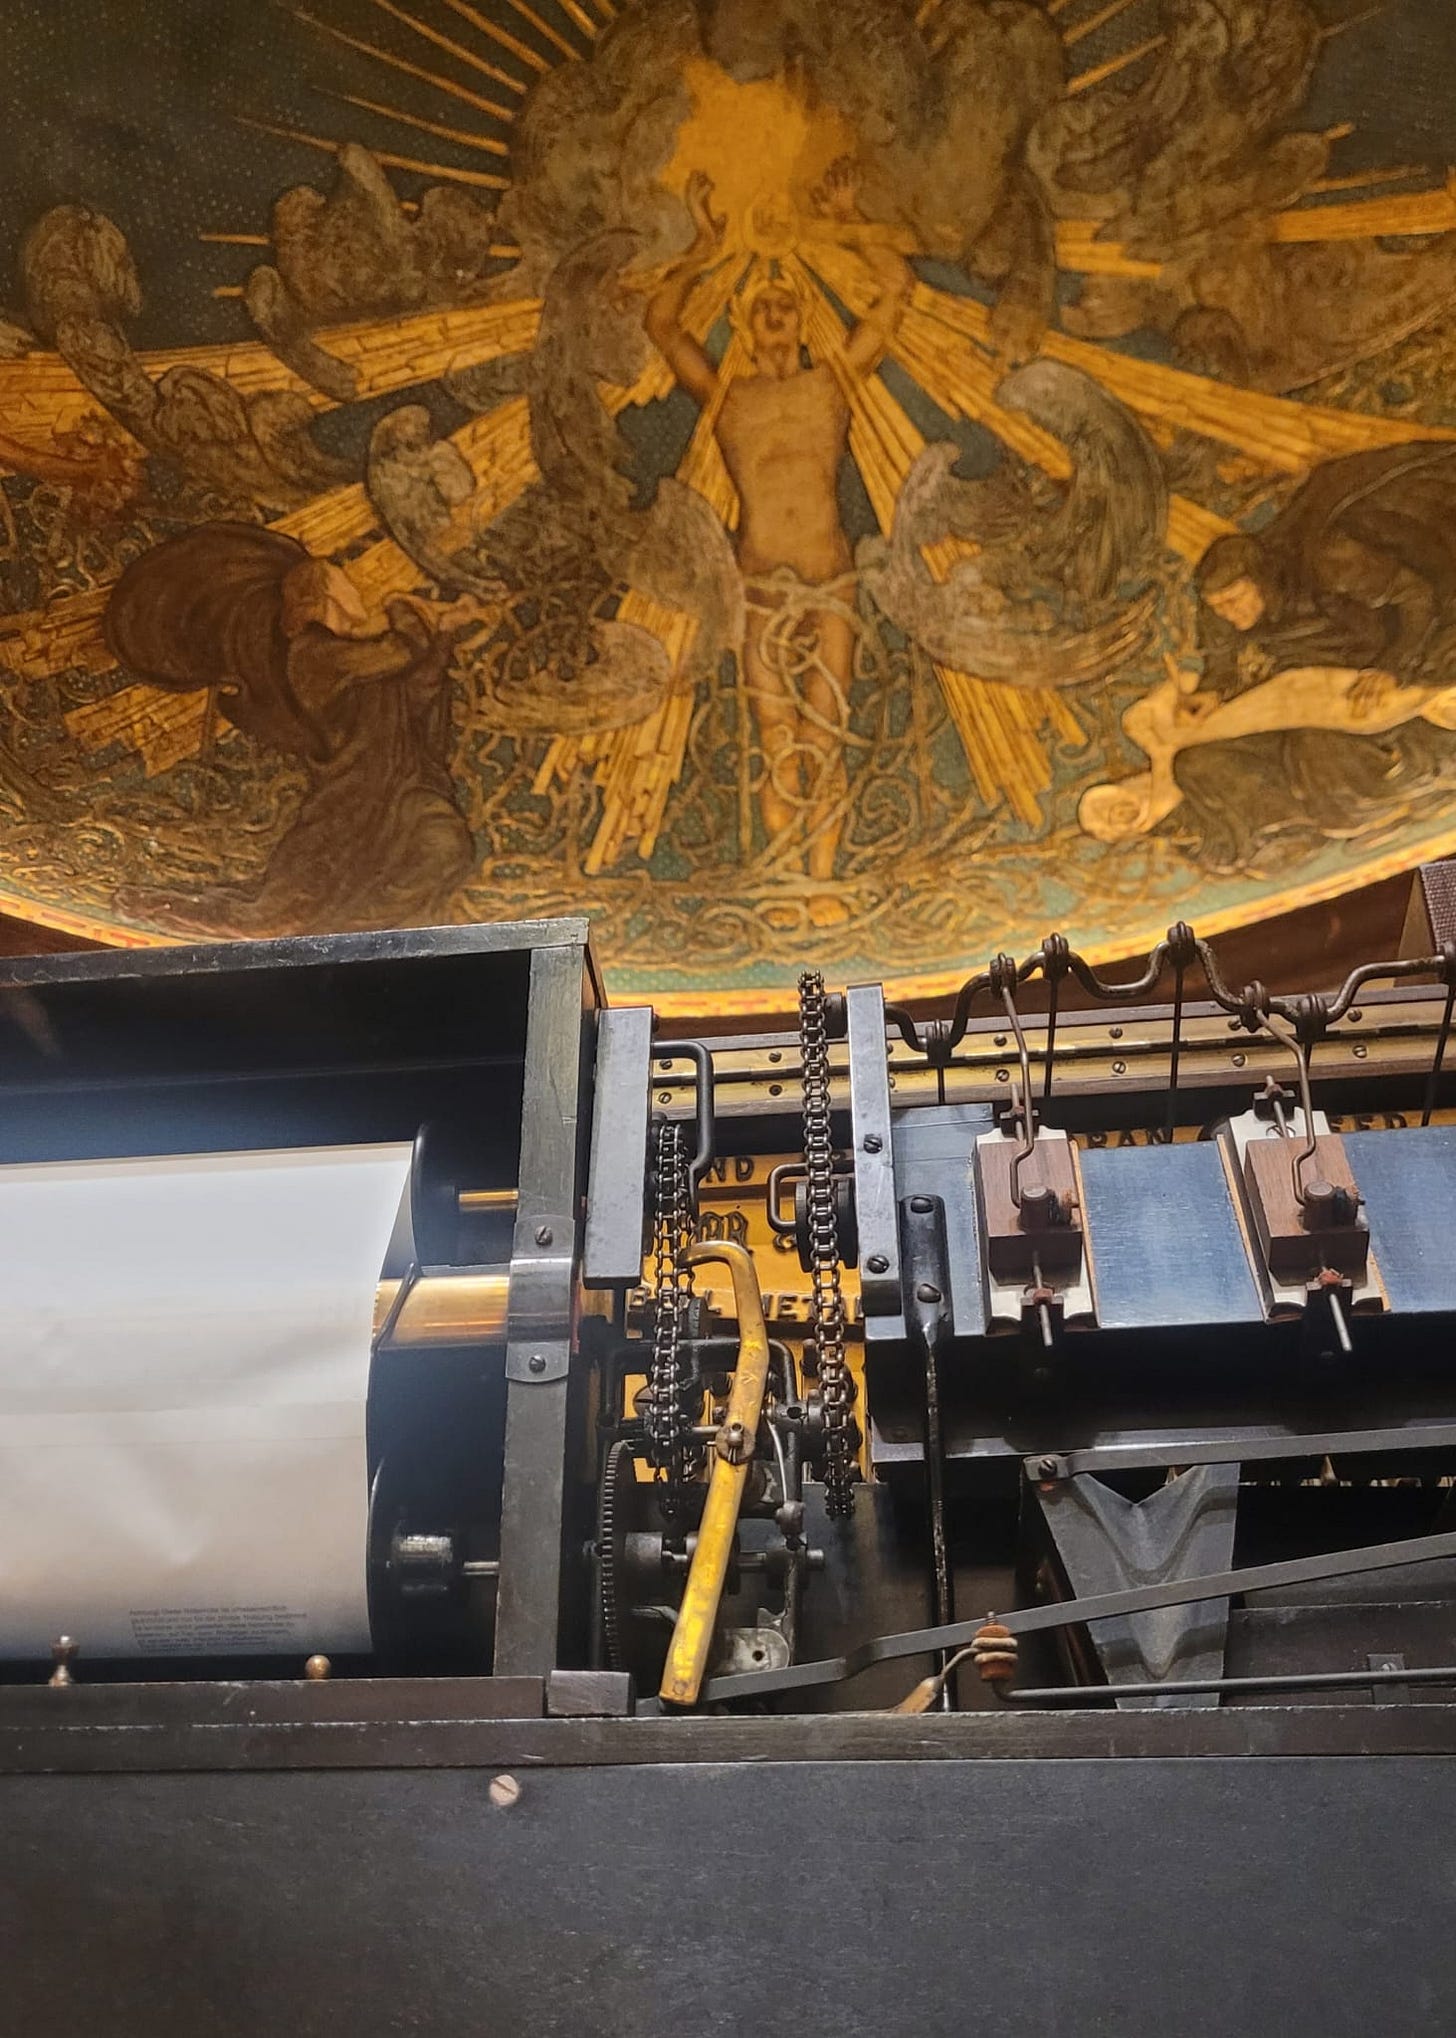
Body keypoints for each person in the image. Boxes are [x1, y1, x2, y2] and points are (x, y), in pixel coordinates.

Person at [645, 162, 910, 915]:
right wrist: (700, 247)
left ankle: (819, 883)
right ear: (742, 324)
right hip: (757, 579)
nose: (774, 317)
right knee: (776, 734)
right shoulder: (725, 397)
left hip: (830, 580)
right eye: (761, 308)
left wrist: (848, 220)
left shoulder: (832, 382)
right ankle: (785, 875)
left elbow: (895, 293)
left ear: (799, 322)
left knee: (823, 731)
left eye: (786, 308)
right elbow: (661, 325)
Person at [1078, 442, 1456, 864]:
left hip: (1383, 669)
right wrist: (1213, 692)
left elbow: (1418, 597)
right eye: (1221, 607)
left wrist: (1392, 670)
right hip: (1301, 697)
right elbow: (1221, 661)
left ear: (1260, 579)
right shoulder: (1217, 603)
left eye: (1237, 601)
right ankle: (1287, 837)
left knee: (1315, 748)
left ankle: (1385, 808)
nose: (1231, 615)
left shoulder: (1327, 561)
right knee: (1197, 766)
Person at [103, 521, 481, 932]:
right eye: (346, 583)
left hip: (402, 790)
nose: (357, 590)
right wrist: (401, 606)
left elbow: (416, 690)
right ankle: (173, 910)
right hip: (351, 801)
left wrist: (443, 635)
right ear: (326, 596)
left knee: (446, 846)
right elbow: (399, 651)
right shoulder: (312, 656)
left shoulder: (354, 654)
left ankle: (359, 939)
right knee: (275, 919)